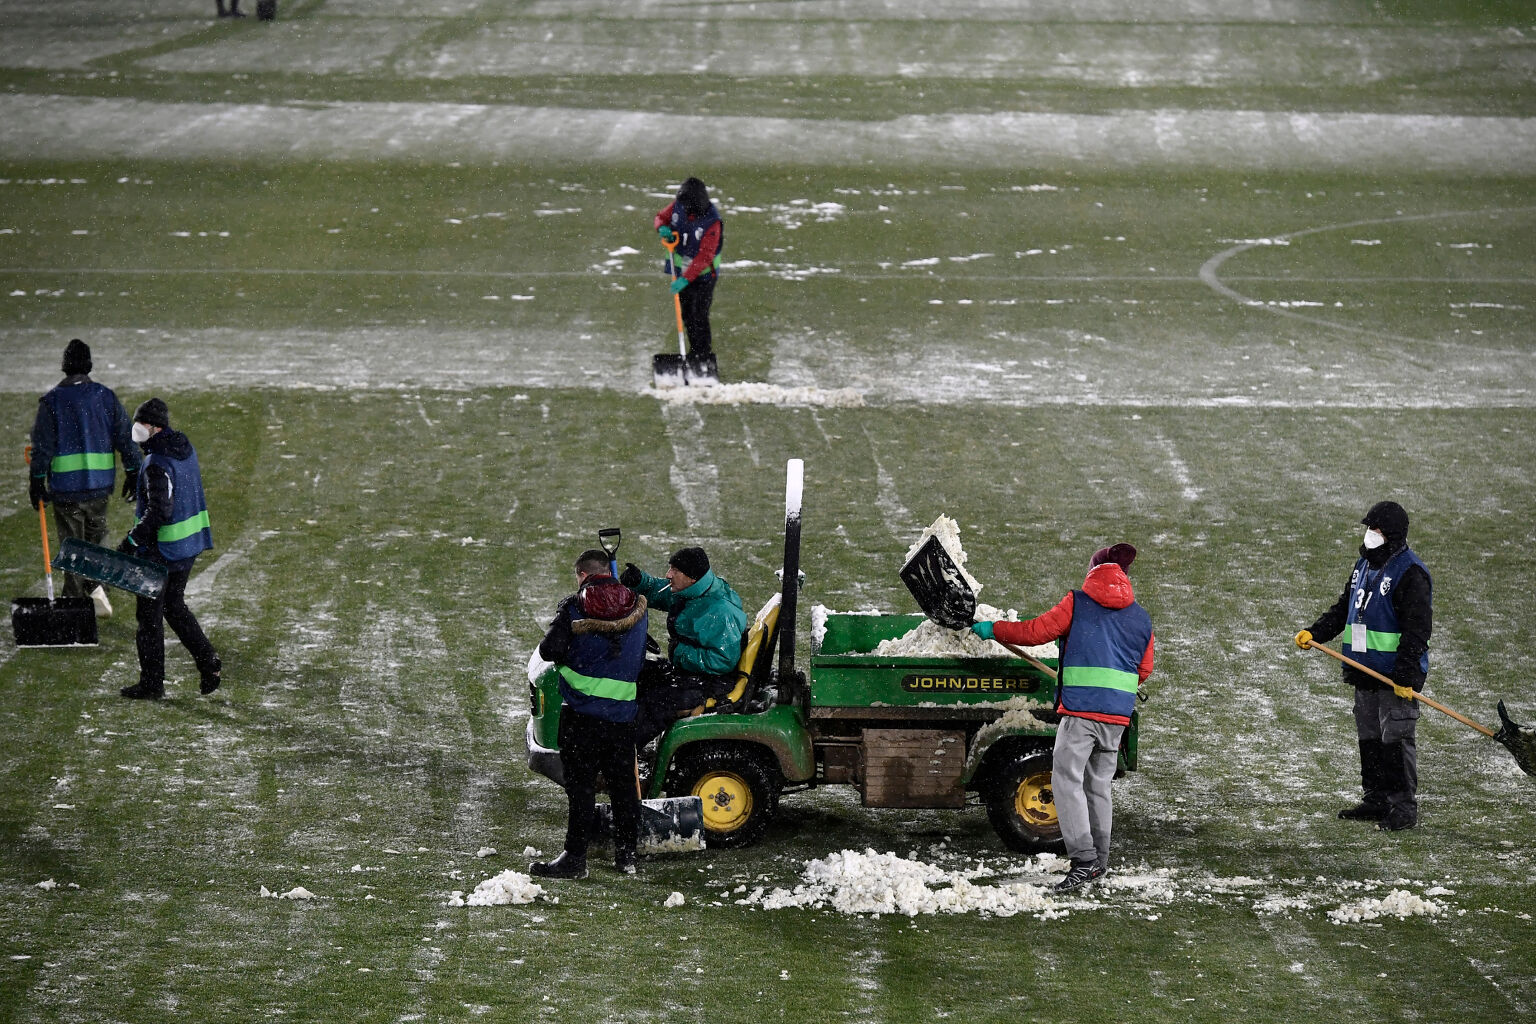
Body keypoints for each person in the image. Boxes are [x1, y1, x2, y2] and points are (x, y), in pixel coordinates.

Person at [971, 543, 1154, 892]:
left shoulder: (1078, 602)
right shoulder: (1141, 617)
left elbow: (1035, 633)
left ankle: (1083, 861)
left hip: (1081, 713)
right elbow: (1144, 668)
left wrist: (993, 629)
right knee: (1098, 785)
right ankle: (1099, 861)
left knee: (1066, 781)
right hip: (1117, 716)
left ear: (1093, 572)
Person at [1295, 501, 1432, 832]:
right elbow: (1345, 607)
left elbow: (1417, 632)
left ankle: (1402, 807)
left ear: (1393, 536)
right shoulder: (1364, 565)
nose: (1370, 535)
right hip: (1364, 671)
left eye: (1377, 530)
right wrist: (1315, 632)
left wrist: (1404, 676)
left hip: (1394, 677)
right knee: (1370, 738)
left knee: (1395, 740)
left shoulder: (1411, 574)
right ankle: (1376, 799)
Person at [531, 550, 650, 879]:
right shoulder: (638, 608)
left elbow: (549, 650)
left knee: (581, 788)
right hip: (623, 715)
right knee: (624, 787)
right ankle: (626, 857)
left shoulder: (574, 606)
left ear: (582, 575)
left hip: (581, 715)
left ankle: (575, 859)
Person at [29, 338, 142, 617]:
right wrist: (133, 471)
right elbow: (126, 438)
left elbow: (42, 447)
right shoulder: (105, 397)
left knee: (72, 545)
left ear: (65, 366)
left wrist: (36, 480)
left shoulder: (52, 401)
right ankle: (95, 588)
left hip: (66, 489)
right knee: (96, 537)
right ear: (88, 365)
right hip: (99, 486)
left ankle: (74, 600)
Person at [117, 398, 221, 700]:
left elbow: (159, 511)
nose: (137, 429)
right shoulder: (184, 450)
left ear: (155, 426)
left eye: (142, 423)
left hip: (161, 552)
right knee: (174, 607)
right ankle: (207, 660)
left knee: (149, 618)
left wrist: (131, 541)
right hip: (186, 547)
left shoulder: (157, 463)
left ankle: (152, 683)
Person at [620, 546, 746, 746]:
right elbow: (662, 592)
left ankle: (622, 753)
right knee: (635, 672)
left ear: (692, 578)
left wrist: (680, 652)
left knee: (656, 700)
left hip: (713, 683)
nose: (668, 574)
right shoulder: (694, 592)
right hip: (691, 672)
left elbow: (723, 661)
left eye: (675, 571)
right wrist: (640, 581)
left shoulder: (720, 611)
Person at [653, 177, 725, 359]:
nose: (683, 208)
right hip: (682, 273)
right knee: (686, 315)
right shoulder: (679, 205)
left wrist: (687, 278)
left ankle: (702, 354)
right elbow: (661, 217)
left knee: (699, 315)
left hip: (703, 277)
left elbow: (705, 255)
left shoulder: (712, 222)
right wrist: (662, 227)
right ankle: (694, 352)